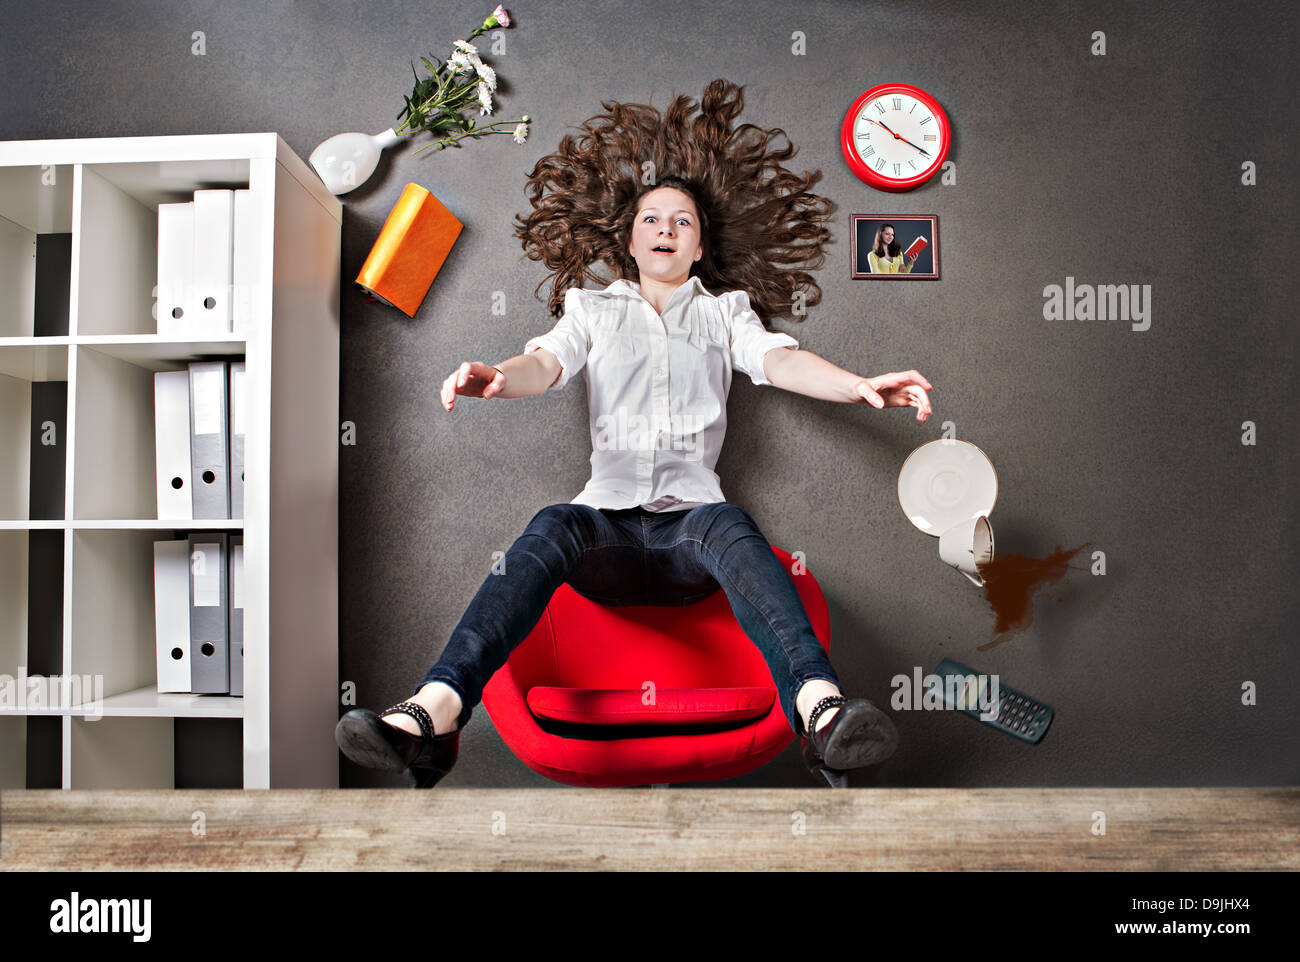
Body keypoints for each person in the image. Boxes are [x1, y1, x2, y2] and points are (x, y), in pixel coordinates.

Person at [335, 79, 934, 788]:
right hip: (606, 540)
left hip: (690, 540)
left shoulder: (726, 313)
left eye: (682, 222)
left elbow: (780, 361)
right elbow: (545, 363)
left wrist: (857, 387)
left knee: (733, 524)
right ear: (630, 237)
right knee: (553, 522)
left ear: (700, 246)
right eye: (653, 218)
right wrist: (498, 376)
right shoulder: (591, 308)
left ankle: (821, 712)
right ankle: (431, 716)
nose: (666, 230)